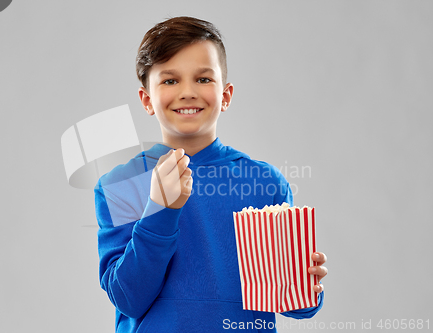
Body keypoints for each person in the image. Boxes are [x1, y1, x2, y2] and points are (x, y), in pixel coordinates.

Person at [94, 16, 328, 332]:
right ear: (147, 100)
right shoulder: (120, 185)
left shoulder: (265, 183)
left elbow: (293, 301)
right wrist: (161, 209)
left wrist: (304, 286)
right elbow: (128, 298)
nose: (188, 92)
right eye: (169, 80)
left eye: (203, 79)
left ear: (226, 95)